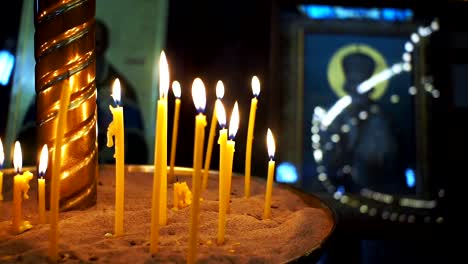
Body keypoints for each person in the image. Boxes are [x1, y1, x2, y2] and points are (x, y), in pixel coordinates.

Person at [17, 19, 148, 165]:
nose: (90, 49)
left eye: (96, 43)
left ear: (104, 46)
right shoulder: (55, 85)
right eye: (86, 41)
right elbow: (28, 137)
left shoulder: (123, 91)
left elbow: (137, 148)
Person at [320, 50, 401, 193]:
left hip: (375, 185)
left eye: (361, 85)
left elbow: (386, 157)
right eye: (353, 85)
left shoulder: (380, 118)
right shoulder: (333, 116)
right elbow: (327, 158)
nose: (357, 92)